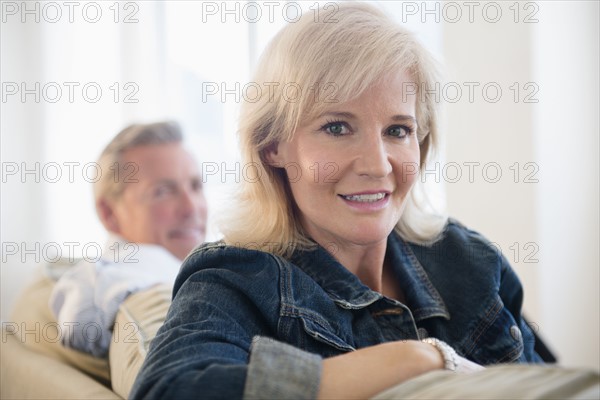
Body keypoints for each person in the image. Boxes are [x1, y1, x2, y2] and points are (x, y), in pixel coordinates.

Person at [131, 4, 543, 399]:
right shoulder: (235, 279)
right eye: (337, 127)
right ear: (272, 146)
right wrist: (422, 359)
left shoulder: (469, 259)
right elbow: (170, 390)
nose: (378, 165)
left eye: (397, 130)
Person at [50, 121, 207, 357]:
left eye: (195, 186)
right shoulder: (117, 275)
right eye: (163, 191)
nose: (192, 207)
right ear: (109, 213)